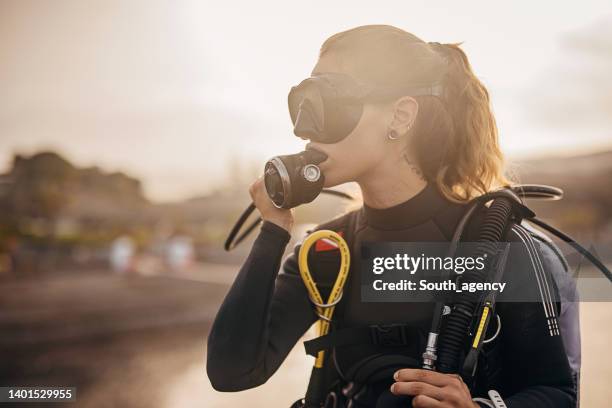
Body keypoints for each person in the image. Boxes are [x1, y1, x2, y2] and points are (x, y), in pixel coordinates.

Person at [206, 25, 579, 407]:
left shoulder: (498, 246)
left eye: (328, 100)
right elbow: (231, 372)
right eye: (302, 101)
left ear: (400, 117)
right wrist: (272, 231)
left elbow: (557, 393)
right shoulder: (327, 253)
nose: (306, 126)